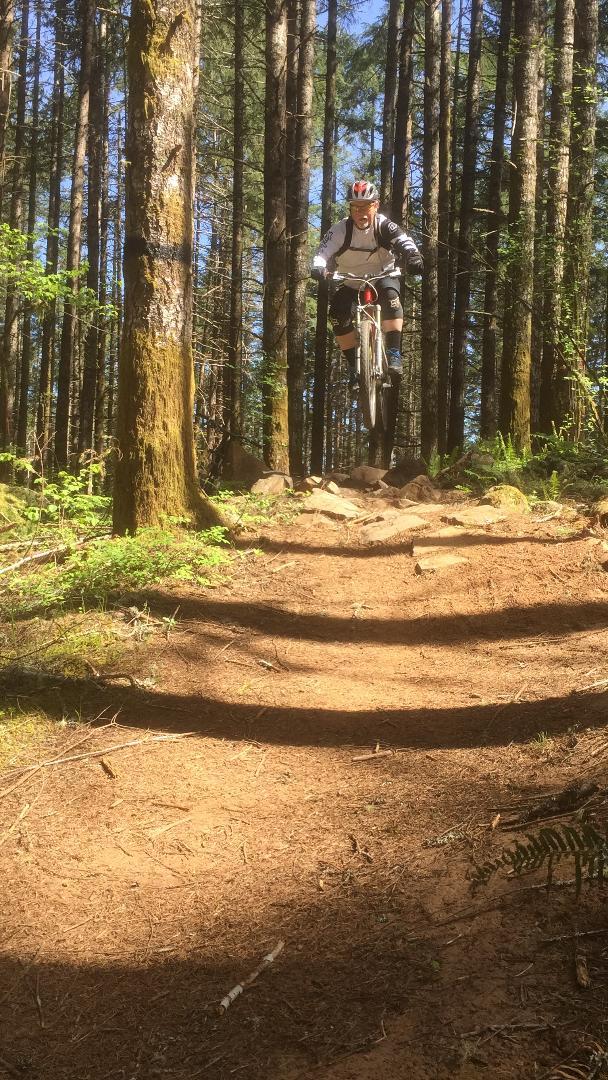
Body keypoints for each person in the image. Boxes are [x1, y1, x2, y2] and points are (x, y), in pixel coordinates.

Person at [311, 179, 423, 389]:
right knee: (337, 314)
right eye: (355, 206)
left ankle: (393, 352)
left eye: (366, 206)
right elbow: (322, 252)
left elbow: (404, 241)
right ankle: (354, 368)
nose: (360, 211)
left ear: (376, 205)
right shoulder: (340, 230)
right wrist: (318, 267)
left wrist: (414, 257)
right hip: (352, 281)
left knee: (391, 296)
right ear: (350, 208)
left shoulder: (384, 225)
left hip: (382, 276)